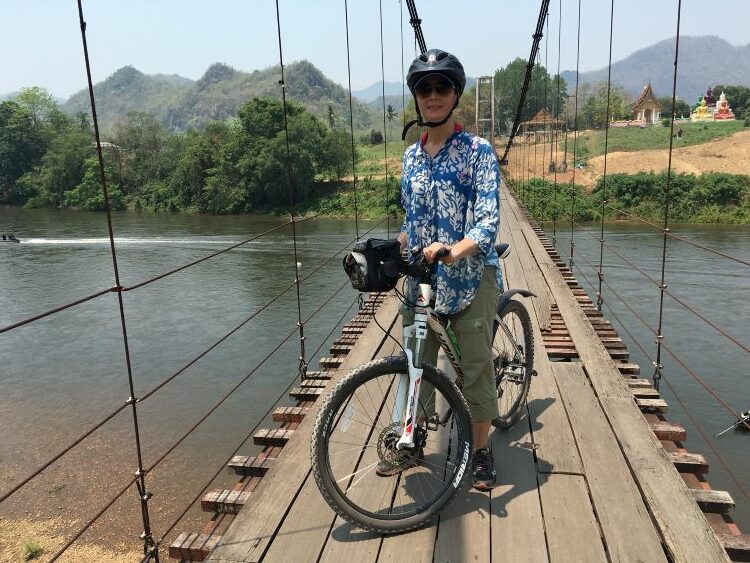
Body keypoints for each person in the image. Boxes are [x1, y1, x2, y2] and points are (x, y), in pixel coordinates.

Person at [384, 49, 502, 491]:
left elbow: (488, 221)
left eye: (442, 87)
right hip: (423, 281)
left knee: (474, 370)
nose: (433, 95)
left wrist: (454, 250)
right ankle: (412, 440)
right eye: (424, 88)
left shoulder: (477, 152)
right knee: (415, 363)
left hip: (469, 277)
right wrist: (394, 247)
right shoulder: (411, 158)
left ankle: (482, 451)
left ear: (455, 95)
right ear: (416, 97)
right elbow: (411, 219)